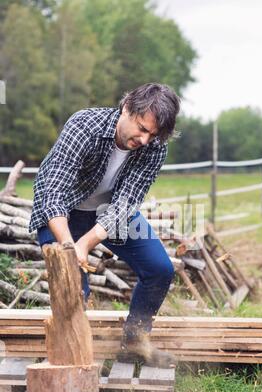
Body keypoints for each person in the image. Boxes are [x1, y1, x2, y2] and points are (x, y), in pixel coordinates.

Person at [29, 82, 180, 368]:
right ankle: (69, 360)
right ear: (126, 108)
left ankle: (135, 343)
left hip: (108, 210)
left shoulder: (155, 148)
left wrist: (86, 243)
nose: (145, 140)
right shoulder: (84, 125)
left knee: (160, 269)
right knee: (72, 287)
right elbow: (53, 193)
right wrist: (69, 247)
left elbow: (126, 202)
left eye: (153, 134)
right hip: (63, 211)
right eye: (141, 128)